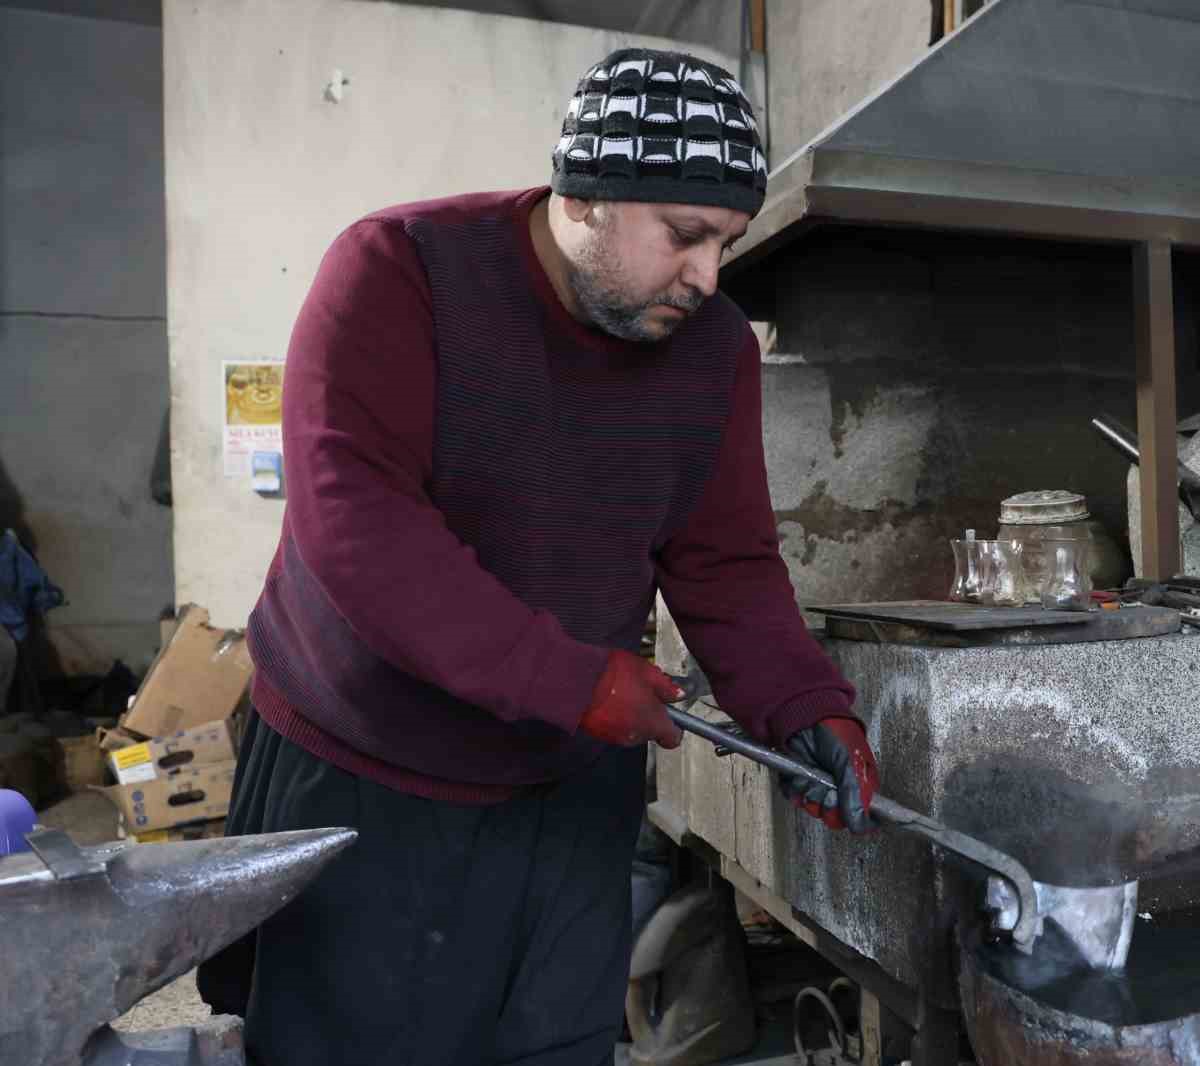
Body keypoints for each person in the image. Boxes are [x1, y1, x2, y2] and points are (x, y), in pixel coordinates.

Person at [196, 47, 880, 1066]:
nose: (707, 276)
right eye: (686, 236)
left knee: (551, 1047)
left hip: (566, 792)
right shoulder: (399, 272)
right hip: (366, 775)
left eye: (725, 244)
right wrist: (567, 677)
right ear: (584, 194)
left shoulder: (715, 349)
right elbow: (359, 529)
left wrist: (805, 707)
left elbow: (724, 560)